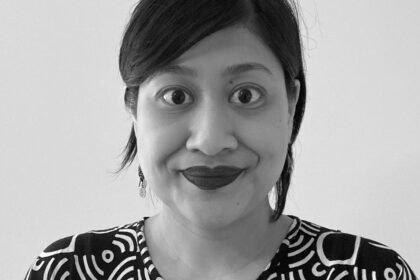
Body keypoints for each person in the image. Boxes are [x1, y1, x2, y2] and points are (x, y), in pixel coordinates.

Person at [25, 0, 417, 279]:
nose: (210, 141)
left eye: (246, 95)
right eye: (176, 96)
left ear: (290, 102)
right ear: (133, 106)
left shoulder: (369, 273)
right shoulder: (67, 270)